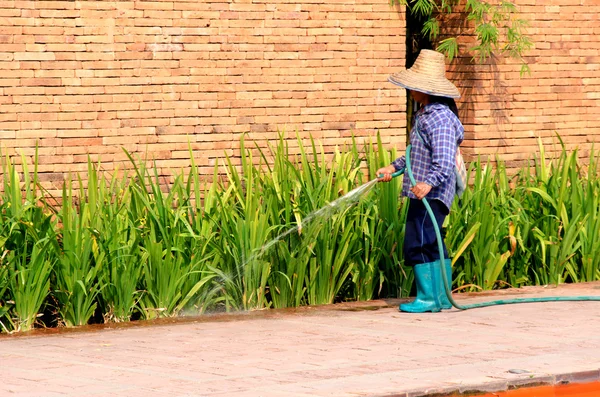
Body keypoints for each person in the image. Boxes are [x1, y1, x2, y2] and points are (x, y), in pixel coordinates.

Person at [376, 49, 464, 313]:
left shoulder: (439, 117)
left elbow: (445, 158)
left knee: (421, 242)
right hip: (422, 191)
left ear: (426, 89)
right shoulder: (426, 114)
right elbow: (415, 154)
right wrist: (393, 167)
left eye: (413, 86)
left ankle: (429, 299)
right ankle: (439, 299)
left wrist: (429, 183)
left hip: (430, 194)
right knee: (430, 241)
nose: (409, 90)